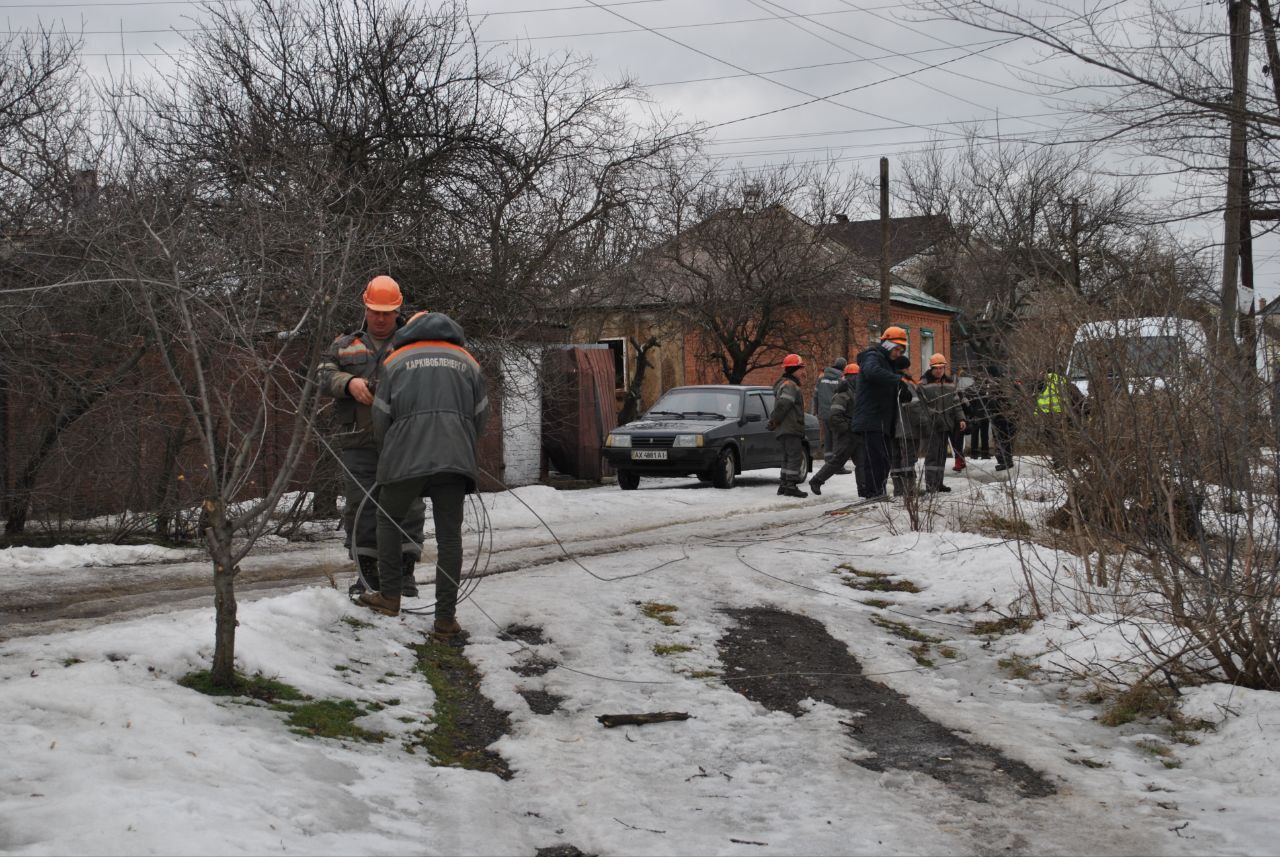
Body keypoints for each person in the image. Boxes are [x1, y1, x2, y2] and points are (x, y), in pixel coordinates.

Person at [357, 311, 490, 636]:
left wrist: (389, 449)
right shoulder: (468, 361)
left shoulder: (395, 360)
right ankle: (445, 619)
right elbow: (481, 415)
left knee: (388, 520)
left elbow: (381, 417)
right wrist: (462, 443)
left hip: (404, 458)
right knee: (449, 537)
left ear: (411, 330)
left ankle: (389, 596)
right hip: (453, 460)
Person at [316, 275, 426, 597]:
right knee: (361, 507)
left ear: (398, 309)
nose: (380, 318)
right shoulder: (345, 344)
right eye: (375, 310)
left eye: (387, 312)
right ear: (365, 307)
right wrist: (348, 383)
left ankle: (404, 576)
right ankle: (367, 577)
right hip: (357, 441)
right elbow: (322, 375)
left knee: (408, 506)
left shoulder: (413, 344)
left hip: (404, 440)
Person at [853, 326, 913, 499]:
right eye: (896, 349)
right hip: (871, 419)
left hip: (884, 421)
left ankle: (879, 492)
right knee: (876, 459)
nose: (898, 353)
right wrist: (897, 380)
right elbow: (872, 373)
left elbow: (891, 386)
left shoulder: (889, 365)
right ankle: (873, 494)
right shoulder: (873, 357)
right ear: (886, 344)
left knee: (885, 459)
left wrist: (904, 392)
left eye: (901, 350)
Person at [808, 362, 862, 495]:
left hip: (857, 433)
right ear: (851, 377)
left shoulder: (855, 392)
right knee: (837, 461)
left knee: (863, 464)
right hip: (848, 434)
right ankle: (816, 480)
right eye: (857, 376)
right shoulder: (843, 394)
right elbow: (835, 416)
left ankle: (864, 492)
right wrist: (847, 429)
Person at [917, 354, 967, 492]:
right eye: (936, 368)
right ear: (931, 368)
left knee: (941, 456)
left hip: (946, 425)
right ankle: (931, 485)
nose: (939, 371)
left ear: (944, 368)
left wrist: (961, 419)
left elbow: (956, 402)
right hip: (931, 426)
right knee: (932, 456)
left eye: (941, 368)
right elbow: (921, 406)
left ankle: (938, 483)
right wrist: (930, 418)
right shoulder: (923, 384)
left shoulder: (950, 383)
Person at [768, 353, 809, 498]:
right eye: (801, 368)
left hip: (784, 428)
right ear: (795, 369)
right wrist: (774, 420)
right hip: (791, 427)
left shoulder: (785, 384)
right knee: (794, 457)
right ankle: (790, 485)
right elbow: (784, 404)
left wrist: (775, 422)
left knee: (786, 456)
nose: (803, 371)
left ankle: (784, 485)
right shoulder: (790, 386)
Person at [891, 363, 928, 497]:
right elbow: (914, 408)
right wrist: (925, 424)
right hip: (908, 429)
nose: (909, 370)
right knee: (908, 459)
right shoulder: (906, 384)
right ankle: (910, 490)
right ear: (904, 369)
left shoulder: (890, 384)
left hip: (893, 430)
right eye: (907, 367)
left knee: (895, 460)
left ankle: (898, 490)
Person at [814, 357, 847, 459]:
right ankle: (837, 464)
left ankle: (828, 460)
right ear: (844, 366)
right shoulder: (842, 378)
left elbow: (815, 395)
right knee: (838, 437)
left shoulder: (821, 377)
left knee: (828, 437)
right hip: (836, 413)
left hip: (824, 413)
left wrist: (817, 410)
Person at [988, 364, 1017, 471]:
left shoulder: (999, 383)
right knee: (1004, 439)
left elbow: (1003, 400)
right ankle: (1005, 461)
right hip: (1005, 415)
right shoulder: (1006, 381)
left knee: (1003, 439)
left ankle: (1006, 462)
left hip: (1001, 416)